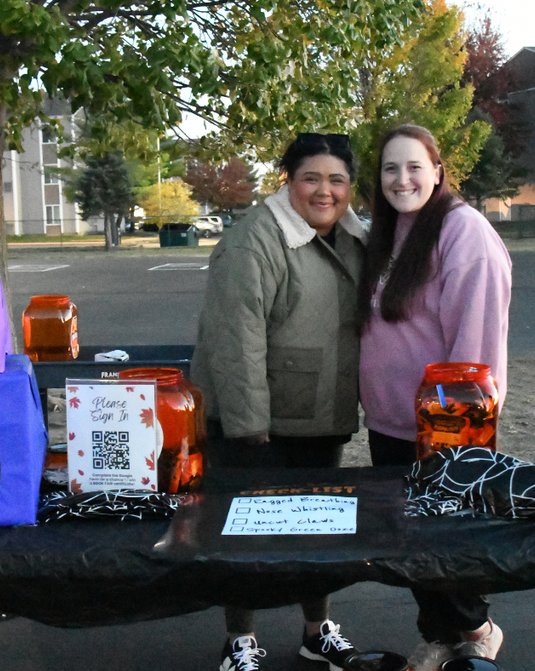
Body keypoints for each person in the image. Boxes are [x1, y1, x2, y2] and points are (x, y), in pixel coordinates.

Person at [191, 132, 369, 671]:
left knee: (318, 530)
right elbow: (235, 335)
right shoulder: (254, 241)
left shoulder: (355, 236)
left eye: (337, 180)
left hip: (320, 412)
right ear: (288, 181)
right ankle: (239, 640)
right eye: (310, 178)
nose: (324, 190)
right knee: (247, 534)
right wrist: (248, 423)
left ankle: (318, 631)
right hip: (257, 421)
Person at [357, 124, 512, 671]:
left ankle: (477, 629)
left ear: (438, 171)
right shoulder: (391, 232)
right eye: (390, 169)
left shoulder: (463, 232)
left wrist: (458, 428)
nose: (402, 179)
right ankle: (439, 635)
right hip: (390, 422)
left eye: (414, 167)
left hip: (447, 429)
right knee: (412, 544)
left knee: (448, 540)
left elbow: (477, 339)